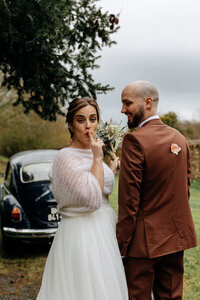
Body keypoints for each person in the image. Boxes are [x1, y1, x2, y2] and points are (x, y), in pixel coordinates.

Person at [37, 97, 128, 300]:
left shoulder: (92, 152)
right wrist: (97, 158)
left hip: (105, 233)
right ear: (70, 124)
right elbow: (91, 199)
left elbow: (96, 183)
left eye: (93, 118)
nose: (88, 125)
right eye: (81, 120)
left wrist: (109, 169)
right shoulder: (65, 157)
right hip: (82, 236)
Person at [116, 80, 198, 300]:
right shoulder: (179, 138)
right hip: (175, 240)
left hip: (142, 246)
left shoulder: (134, 141)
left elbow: (128, 202)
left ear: (148, 103)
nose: (123, 110)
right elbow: (185, 190)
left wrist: (120, 246)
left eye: (127, 103)